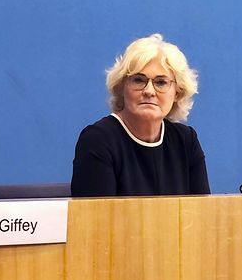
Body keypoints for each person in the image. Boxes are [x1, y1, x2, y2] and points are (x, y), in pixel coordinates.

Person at [71, 34, 210, 196]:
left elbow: (202, 216)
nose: (149, 91)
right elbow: (97, 219)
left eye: (161, 82)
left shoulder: (186, 141)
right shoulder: (98, 140)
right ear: (122, 87)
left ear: (177, 93)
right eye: (138, 80)